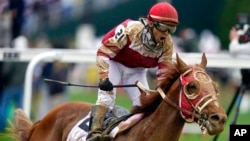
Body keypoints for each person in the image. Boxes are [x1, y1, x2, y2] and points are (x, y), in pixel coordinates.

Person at [86, 2, 179, 141]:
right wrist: (104, 77)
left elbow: (164, 73)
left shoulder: (167, 44)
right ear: (150, 23)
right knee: (107, 98)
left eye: (171, 29)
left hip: (137, 71)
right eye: (164, 27)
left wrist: (162, 92)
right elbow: (103, 51)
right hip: (115, 63)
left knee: (144, 105)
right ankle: (94, 134)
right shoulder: (130, 29)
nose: (166, 33)